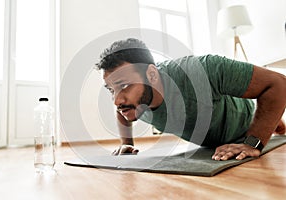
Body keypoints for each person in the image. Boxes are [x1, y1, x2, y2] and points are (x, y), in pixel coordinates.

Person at [96, 38, 286, 161]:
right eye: (111, 90)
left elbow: (278, 84)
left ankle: (276, 121)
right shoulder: (132, 104)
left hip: (243, 120)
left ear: (152, 76)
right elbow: (121, 114)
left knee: (275, 124)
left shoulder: (202, 70)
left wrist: (252, 143)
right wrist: (126, 143)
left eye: (123, 85)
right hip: (212, 141)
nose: (116, 100)